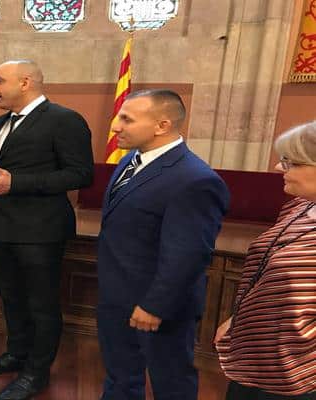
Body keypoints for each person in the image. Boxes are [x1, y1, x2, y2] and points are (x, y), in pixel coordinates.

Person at [0, 60, 93, 400]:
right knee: (11, 298)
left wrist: (16, 183)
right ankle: (16, 354)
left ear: (25, 82)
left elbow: (81, 174)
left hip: (41, 231)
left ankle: (36, 373)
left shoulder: (65, 120)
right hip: (0, 226)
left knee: (41, 305)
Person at [96, 89, 229, 400]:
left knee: (171, 383)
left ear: (162, 125)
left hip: (160, 307)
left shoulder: (195, 179)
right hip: (117, 295)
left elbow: (188, 254)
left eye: (127, 119)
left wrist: (155, 305)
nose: (115, 126)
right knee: (119, 376)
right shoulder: (130, 160)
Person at [214, 121, 316, 400]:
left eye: (291, 162)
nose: (278, 167)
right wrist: (237, 319)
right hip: (257, 357)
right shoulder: (300, 205)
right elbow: (266, 270)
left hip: (299, 372)